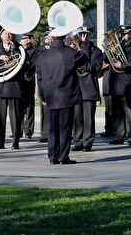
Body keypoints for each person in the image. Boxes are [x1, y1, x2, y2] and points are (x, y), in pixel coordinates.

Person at [33, 27, 89, 164]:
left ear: (51, 38)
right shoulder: (70, 53)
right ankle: (63, 156)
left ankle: (53, 157)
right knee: (65, 128)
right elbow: (85, 58)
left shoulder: (42, 55)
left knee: (52, 128)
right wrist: (82, 44)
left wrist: (43, 96)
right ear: (64, 39)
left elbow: (39, 77)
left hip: (50, 97)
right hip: (66, 96)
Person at [0, 28, 27, 149]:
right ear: (1, 35)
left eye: (10, 33)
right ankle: (0, 142)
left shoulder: (19, 48)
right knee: (0, 118)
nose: (8, 35)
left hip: (15, 87)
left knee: (16, 118)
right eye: (5, 33)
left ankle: (15, 142)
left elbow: (26, 64)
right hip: (0, 87)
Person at [104, 25, 131, 146]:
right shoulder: (117, 45)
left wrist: (123, 66)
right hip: (116, 83)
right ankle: (118, 135)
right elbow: (106, 59)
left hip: (128, 82)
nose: (123, 36)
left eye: (126, 34)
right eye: (122, 34)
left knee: (129, 111)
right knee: (117, 112)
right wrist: (108, 49)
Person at [72, 26, 104, 152]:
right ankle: (78, 141)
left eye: (86, 34)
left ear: (90, 36)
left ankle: (88, 142)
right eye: (82, 34)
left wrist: (82, 64)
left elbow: (96, 67)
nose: (84, 37)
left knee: (88, 118)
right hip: (76, 87)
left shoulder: (96, 51)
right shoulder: (73, 49)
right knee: (77, 117)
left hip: (89, 87)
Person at [18, 34, 37, 140]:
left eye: (23, 38)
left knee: (29, 107)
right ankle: (18, 130)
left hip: (28, 81)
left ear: (28, 40)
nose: (21, 40)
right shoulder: (17, 50)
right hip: (19, 81)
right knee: (19, 107)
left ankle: (28, 130)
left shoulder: (33, 51)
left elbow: (34, 66)